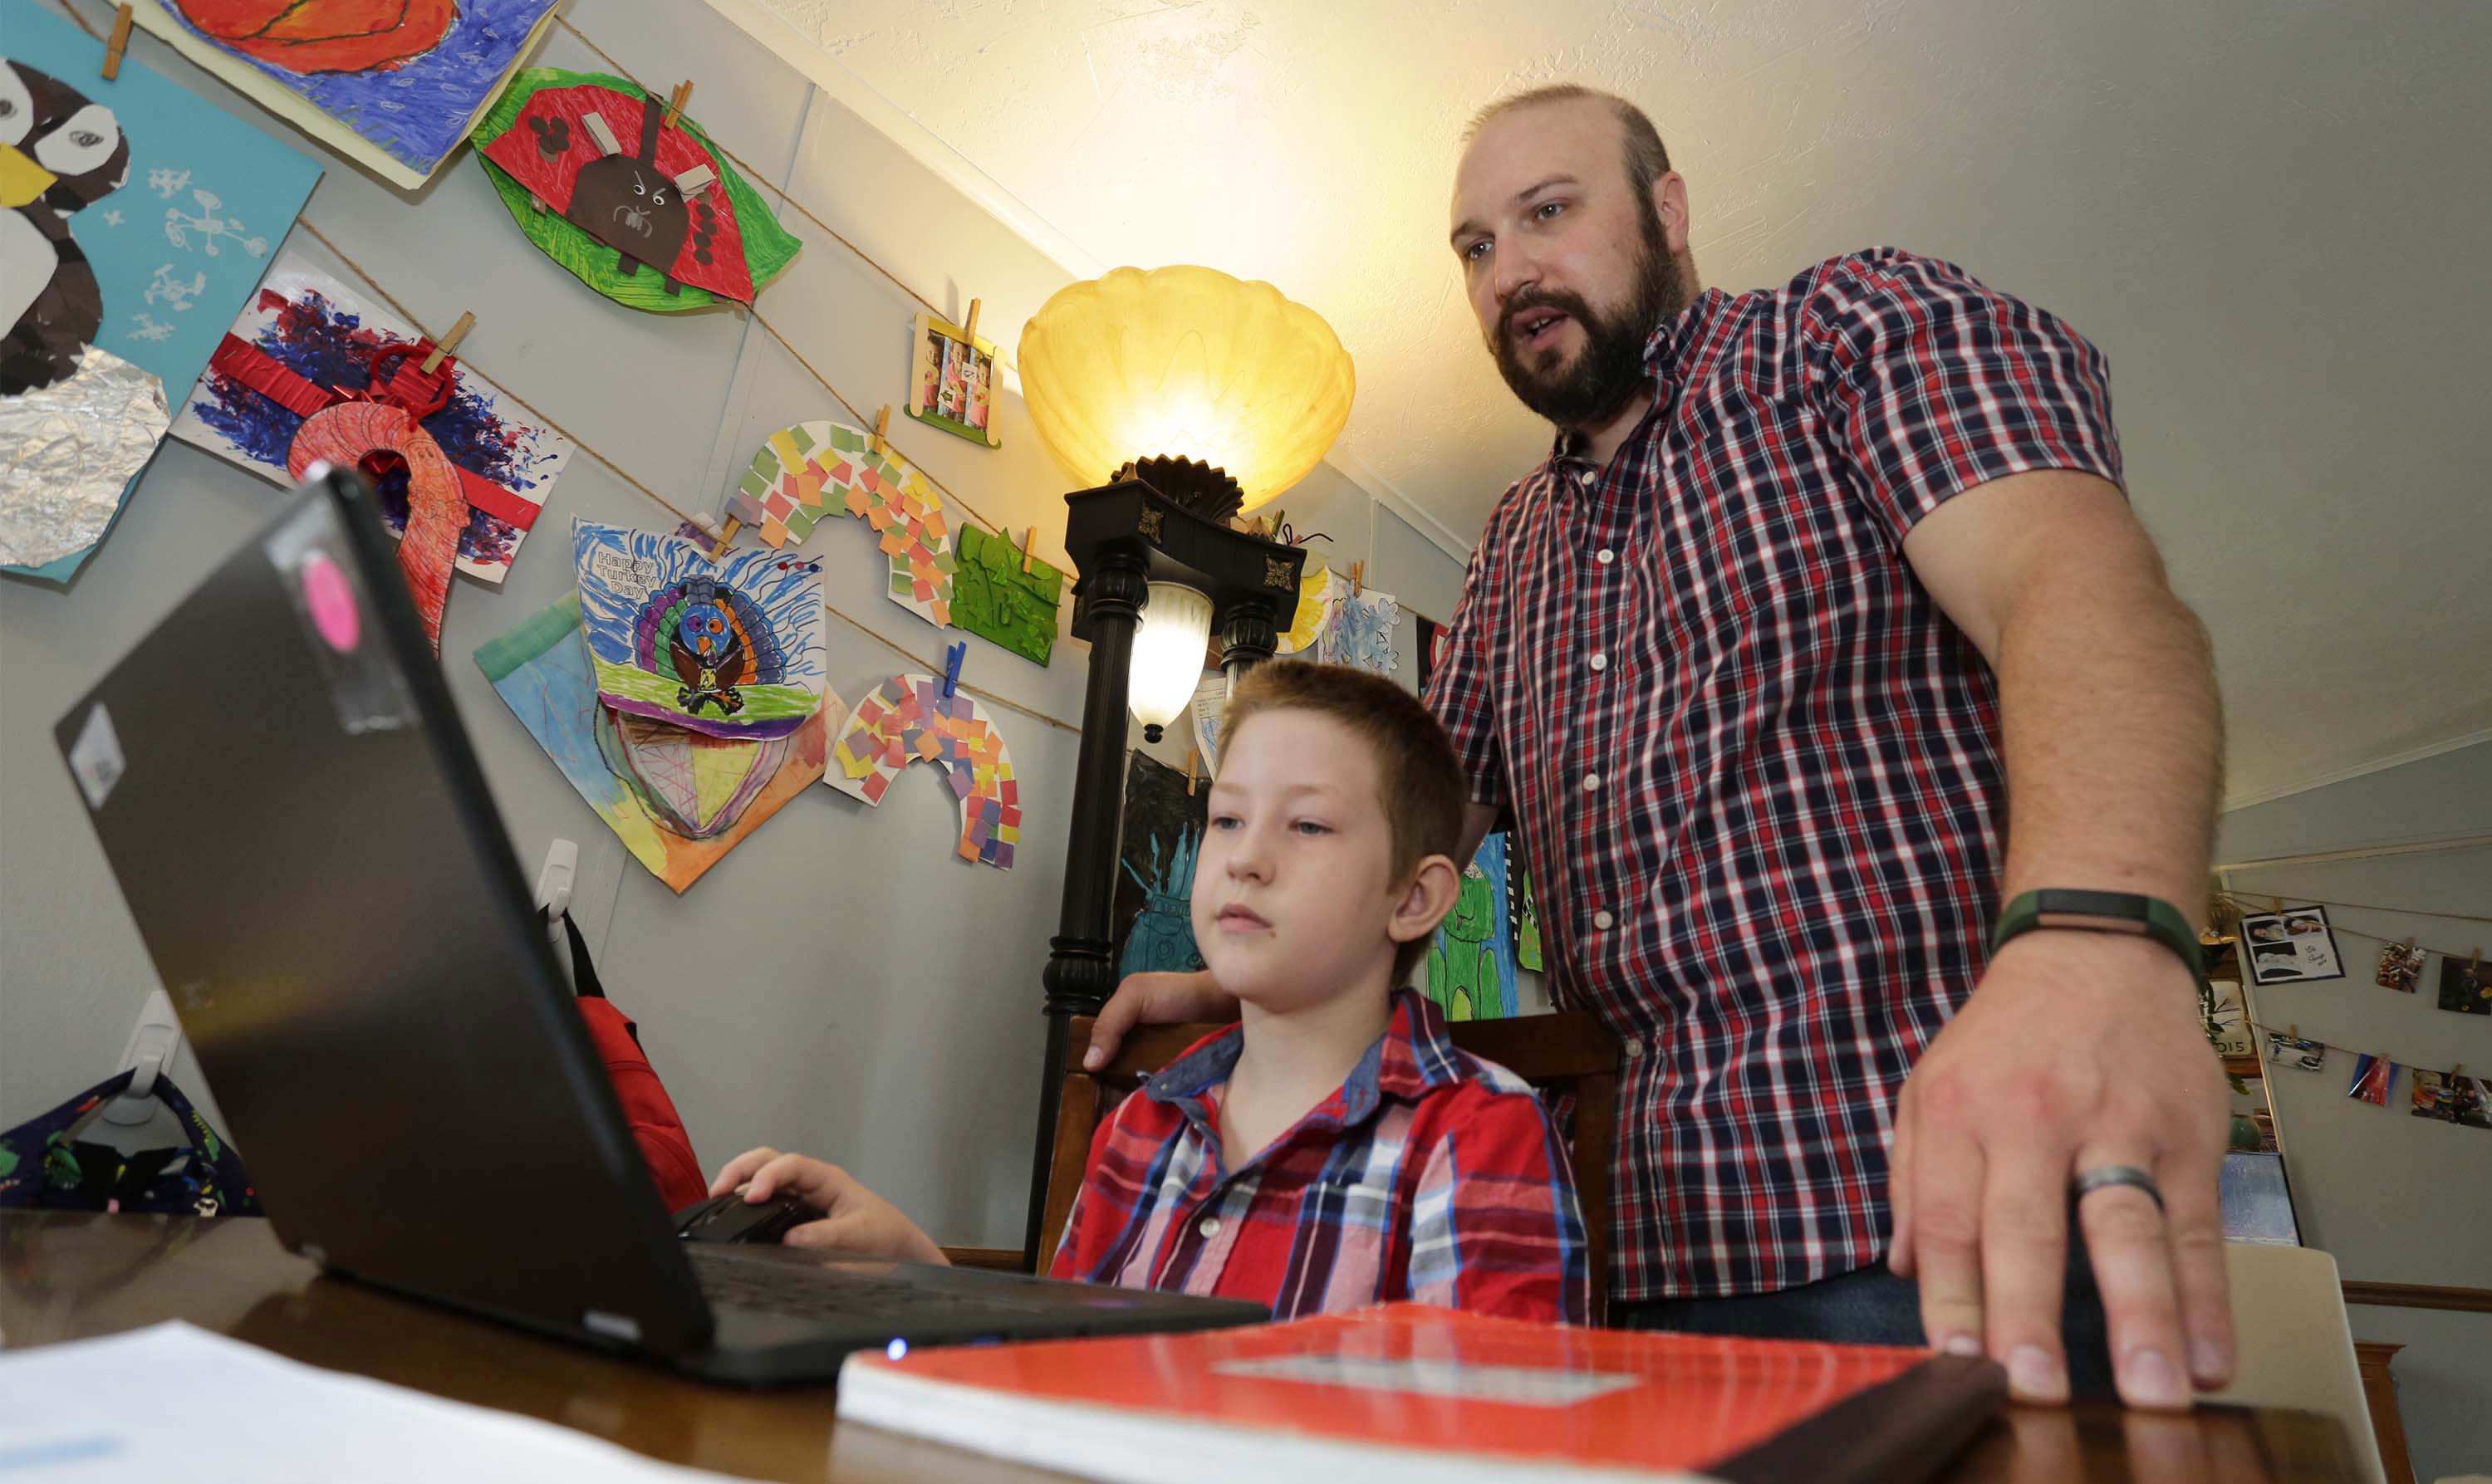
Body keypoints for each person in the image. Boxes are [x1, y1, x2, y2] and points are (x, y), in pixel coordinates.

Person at [1090, 85, 2233, 1411]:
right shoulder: (1511, 547)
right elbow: (1399, 835)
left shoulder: (1842, 336)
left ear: (1668, 209)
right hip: (1620, 1250)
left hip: (1931, 1222)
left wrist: (2095, 938)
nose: (1510, 267)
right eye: (1474, 246)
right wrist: (1257, 975)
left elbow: (2077, 588)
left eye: (1550, 211)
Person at [711, 663, 1590, 1324]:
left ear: (1414, 898)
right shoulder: (1143, 1124)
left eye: (1309, 823)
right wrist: (903, 1257)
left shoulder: (1481, 1138)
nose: (1246, 855)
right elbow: (1056, 1372)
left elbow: (1497, 1446)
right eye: (1227, 818)